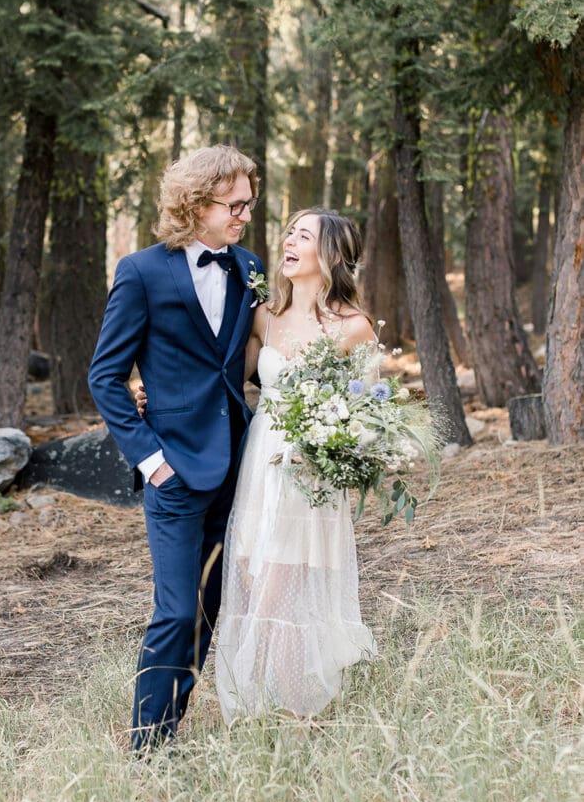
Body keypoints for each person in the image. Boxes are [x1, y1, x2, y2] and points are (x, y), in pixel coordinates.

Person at [88, 145, 264, 750]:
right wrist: (150, 459)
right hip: (174, 472)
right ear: (196, 203)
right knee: (176, 612)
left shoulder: (249, 269)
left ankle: (169, 730)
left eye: (249, 203)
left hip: (237, 467)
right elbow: (104, 376)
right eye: (234, 203)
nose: (244, 214)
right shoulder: (141, 272)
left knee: (210, 610)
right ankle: (144, 750)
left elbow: (254, 363)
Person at [214, 208, 377, 723]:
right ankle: (279, 712)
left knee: (277, 589)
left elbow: (375, 414)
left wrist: (329, 446)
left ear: (327, 255)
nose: (288, 241)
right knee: (252, 574)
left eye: (302, 235)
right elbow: (224, 380)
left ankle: (280, 714)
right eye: (288, 232)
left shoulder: (353, 329)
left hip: (307, 476)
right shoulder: (264, 315)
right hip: (260, 464)